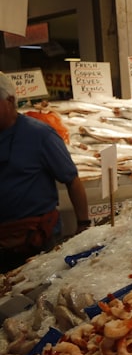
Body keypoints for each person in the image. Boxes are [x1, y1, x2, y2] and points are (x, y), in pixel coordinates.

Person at [0, 72, 90, 272]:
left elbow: (72, 179)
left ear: (10, 101)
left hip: (36, 240)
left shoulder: (40, 134)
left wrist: (83, 223)